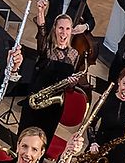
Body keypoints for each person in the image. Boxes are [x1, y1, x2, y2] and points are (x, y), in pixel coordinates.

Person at [8, 14, 85, 144]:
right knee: (24, 138)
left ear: (72, 31)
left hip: (54, 107)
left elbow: (69, 84)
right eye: (60, 28)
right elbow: (41, 32)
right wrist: (41, 12)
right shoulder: (47, 48)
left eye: (67, 29)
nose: (63, 32)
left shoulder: (74, 54)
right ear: (55, 28)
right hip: (36, 100)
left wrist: (72, 84)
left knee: (44, 142)